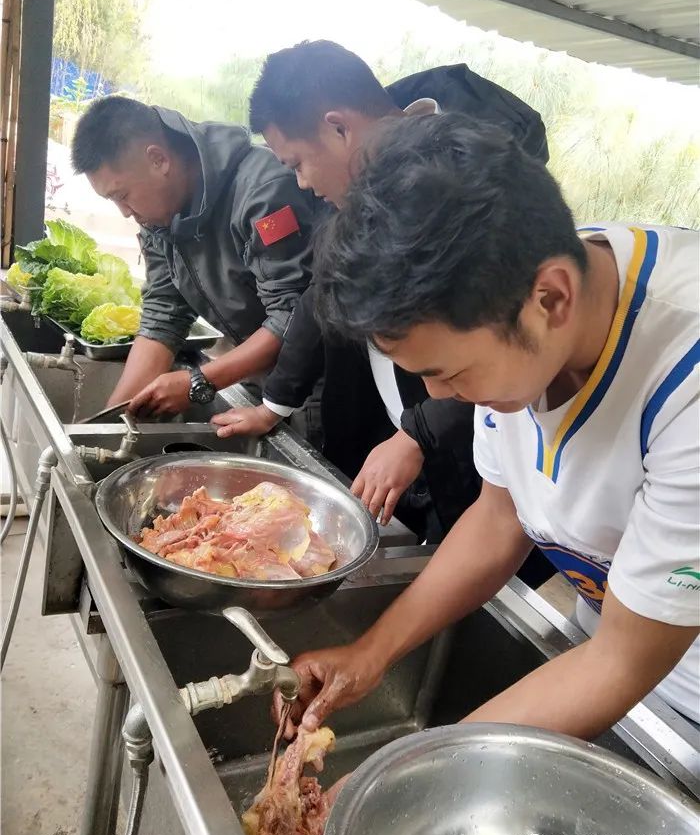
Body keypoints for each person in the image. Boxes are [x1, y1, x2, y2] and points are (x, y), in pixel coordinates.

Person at [274, 113, 699, 739]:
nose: (439, 396)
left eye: (450, 373)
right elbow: (500, 518)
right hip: (606, 651)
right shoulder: (516, 282)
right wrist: (368, 654)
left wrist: (410, 772)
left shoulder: (685, 382)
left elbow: (620, 663)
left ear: (552, 299)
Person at [211, 41, 550, 549]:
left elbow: (505, 345)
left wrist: (419, 433)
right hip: (402, 433)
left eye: (298, 163)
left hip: (474, 450)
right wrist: (274, 404)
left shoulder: (477, 188)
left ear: (338, 128)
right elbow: (319, 295)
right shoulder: (356, 186)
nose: (301, 183)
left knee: (474, 549)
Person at [71, 96, 318, 415]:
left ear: (158, 159)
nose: (124, 212)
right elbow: (164, 312)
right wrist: (113, 419)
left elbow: (293, 315)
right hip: (261, 377)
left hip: (317, 387)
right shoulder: (159, 215)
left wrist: (200, 381)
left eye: (123, 195)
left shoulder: (264, 193)